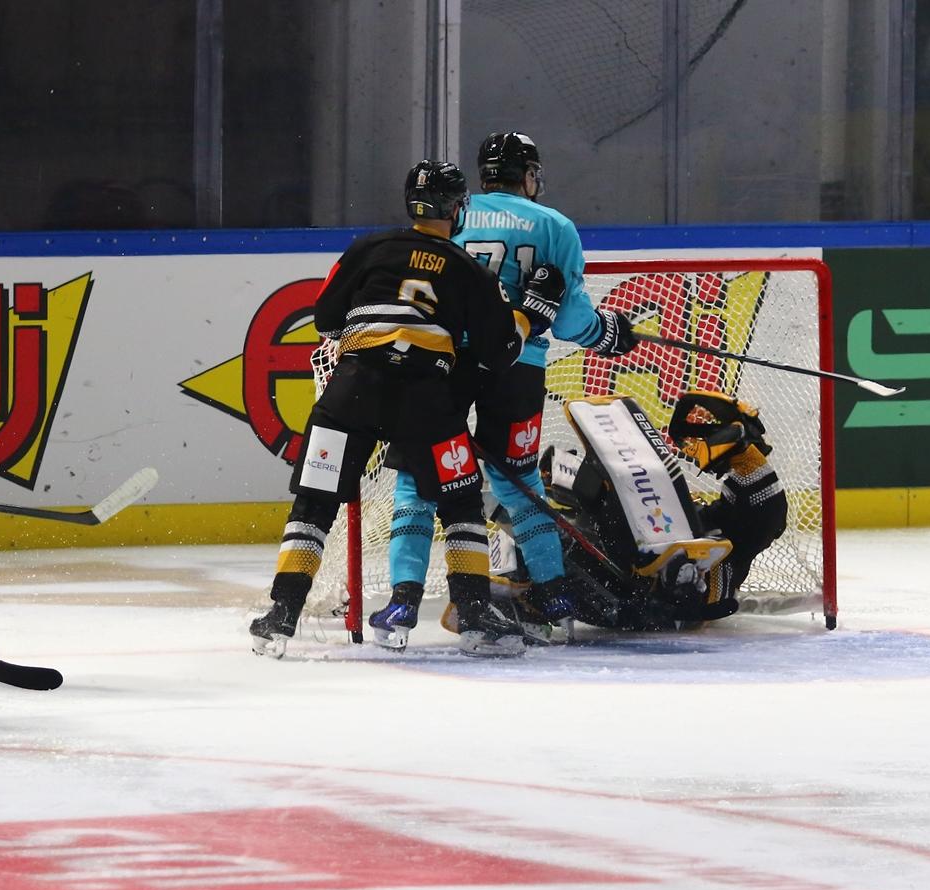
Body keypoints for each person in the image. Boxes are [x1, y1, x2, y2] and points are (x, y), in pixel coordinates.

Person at [248, 159, 546, 659]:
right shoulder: (465, 267)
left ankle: (280, 615)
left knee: (315, 504)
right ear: (458, 208)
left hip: (350, 392)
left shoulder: (369, 247)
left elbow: (324, 316)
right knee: (459, 503)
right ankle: (474, 614)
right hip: (425, 399)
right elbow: (500, 354)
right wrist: (528, 314)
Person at [367, 131, 638, 650]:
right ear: (529, 174)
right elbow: (571, 318)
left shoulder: (457, 213)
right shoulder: (554, 224)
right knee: (517, 482)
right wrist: (608, 336)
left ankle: (402, 601)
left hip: (441, 366)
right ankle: (556, 601)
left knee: (419, 482)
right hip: (516, 369)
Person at [526, 390, 787, 631]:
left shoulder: (735, 534)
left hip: (666, 601)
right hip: (657, 586)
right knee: (584, 519)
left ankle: (528, 600)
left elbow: (767, 513)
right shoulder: (722, 521)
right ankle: (528, 596)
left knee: (574, 542)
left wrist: (744, 454)